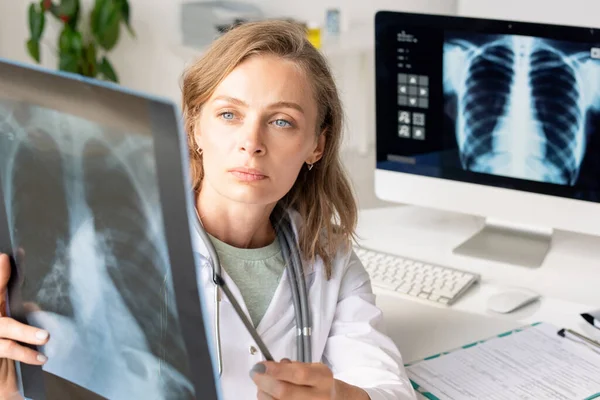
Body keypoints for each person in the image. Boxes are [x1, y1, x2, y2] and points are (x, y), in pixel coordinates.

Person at [0, 20, 417, 400]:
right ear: (196, 125)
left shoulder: (329, 259)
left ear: (317, 145)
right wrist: (8, 384)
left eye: (282, 121)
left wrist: (342, 399)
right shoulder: (111, 244)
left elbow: (390, 388)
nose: (251, 142)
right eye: (229, 114)